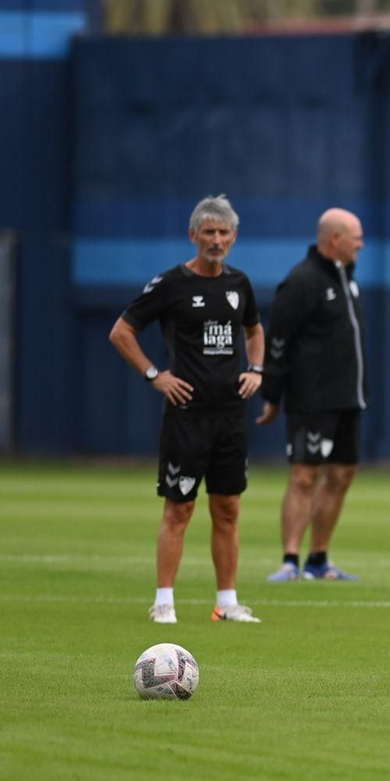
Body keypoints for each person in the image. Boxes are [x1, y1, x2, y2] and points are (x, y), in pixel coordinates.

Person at [107, 194, 264, 624]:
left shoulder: (240, 284)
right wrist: (155, 375)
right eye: (209, 232)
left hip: (230, 415)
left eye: (224, 232)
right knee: (179, 508)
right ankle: (164, 602)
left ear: (234, 237)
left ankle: (226, 603)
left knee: (228, 509)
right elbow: (121, 332)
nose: (216, 239)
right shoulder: (171, 284)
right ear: (193, 235)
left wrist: (256, 370)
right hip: (187, 414)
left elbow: (255, 330)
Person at [257, 208, 369, 582]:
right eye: (356, 237)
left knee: (342, 474)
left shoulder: (348, 279)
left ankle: (318, 560)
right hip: (312, 399)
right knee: (305, 476)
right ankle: (290, 560)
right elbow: (278, 341)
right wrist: (272, 395)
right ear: (335, 239)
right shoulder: (301, 281)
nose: (361, 245)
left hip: (348, 398)